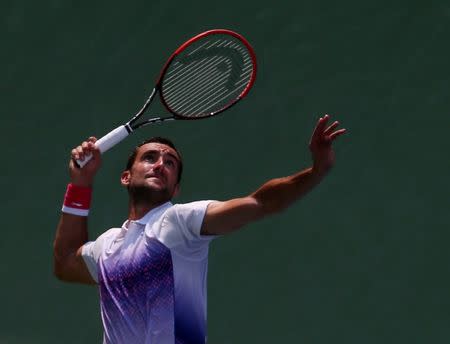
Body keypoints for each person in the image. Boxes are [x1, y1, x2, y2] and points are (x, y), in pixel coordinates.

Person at [53, 114, 346, 344]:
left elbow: (261, 202)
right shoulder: (107, 246)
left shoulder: (182, 222)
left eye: (170, 163)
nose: (160, 165)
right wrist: (80, 183)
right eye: (150, 157)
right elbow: (65, 263)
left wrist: (316, 171)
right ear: (126, 177)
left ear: (176, 188)